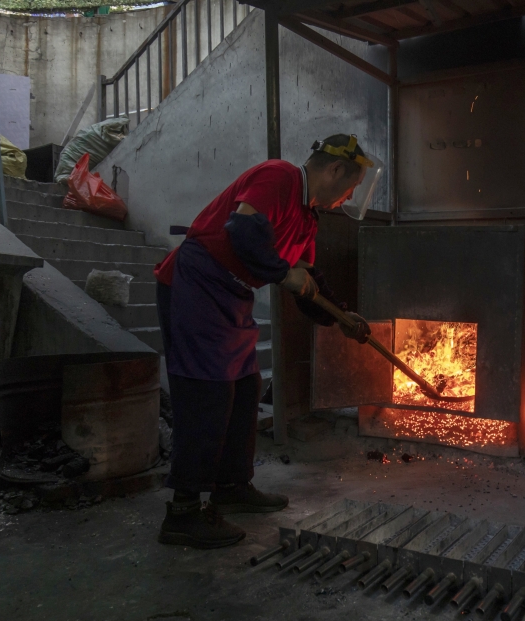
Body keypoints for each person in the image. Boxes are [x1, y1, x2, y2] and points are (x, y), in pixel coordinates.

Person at [154, 134, 375, 549]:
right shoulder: (280, 176)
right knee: (208, 393)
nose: (348, 197)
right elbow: (243, 230)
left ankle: (231, 487)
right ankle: (183, 512)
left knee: (244, 389)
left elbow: (308, 285)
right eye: (351, 187)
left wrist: (341, 317)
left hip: (233, 295)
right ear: (334, 169)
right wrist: (283, 273)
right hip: (197, 284)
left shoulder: (308, 219)